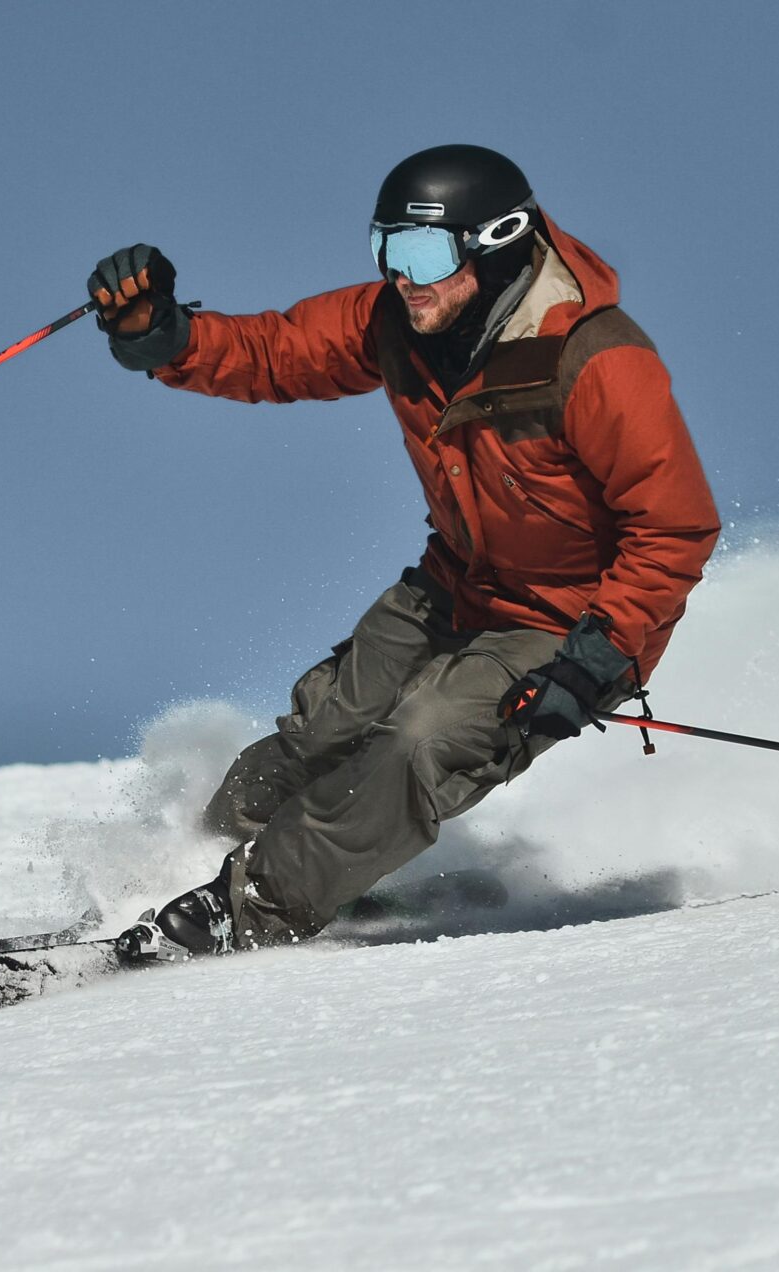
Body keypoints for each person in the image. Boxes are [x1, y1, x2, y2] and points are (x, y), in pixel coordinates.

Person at [89, 144, 720, 957]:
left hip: (568, 626)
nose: (403, 278)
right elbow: (278, 352)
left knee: (417, 740)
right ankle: (182, 868)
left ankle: (247, 908)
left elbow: (674, 526)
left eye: (423, 254)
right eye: (387, 251)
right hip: (453, 587)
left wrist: (596, 658)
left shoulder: (596, 360)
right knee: (322, 727)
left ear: (497, 242)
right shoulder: (401, 323)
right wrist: (164, 338)